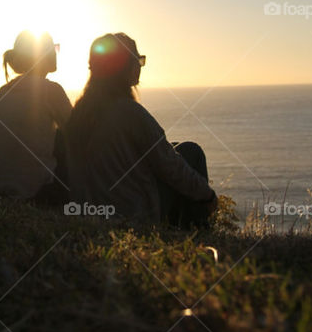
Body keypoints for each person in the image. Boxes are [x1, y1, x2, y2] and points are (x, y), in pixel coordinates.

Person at [66, 33, 217, 226]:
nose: (140, 65)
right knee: (191, 152)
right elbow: (169, 165)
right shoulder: (130, 113)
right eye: (137, 60)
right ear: (122, 66)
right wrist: (208, 196)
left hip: (89, 211)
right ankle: (196, 233)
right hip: (131, 215)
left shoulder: (79, 113)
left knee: (177, 147)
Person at [0, 31, 72, 203]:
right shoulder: (51, 90)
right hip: (38, 190)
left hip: (0, 186)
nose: (56, 53)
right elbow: (77, 134)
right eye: (53, 48)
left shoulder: (3, 91)